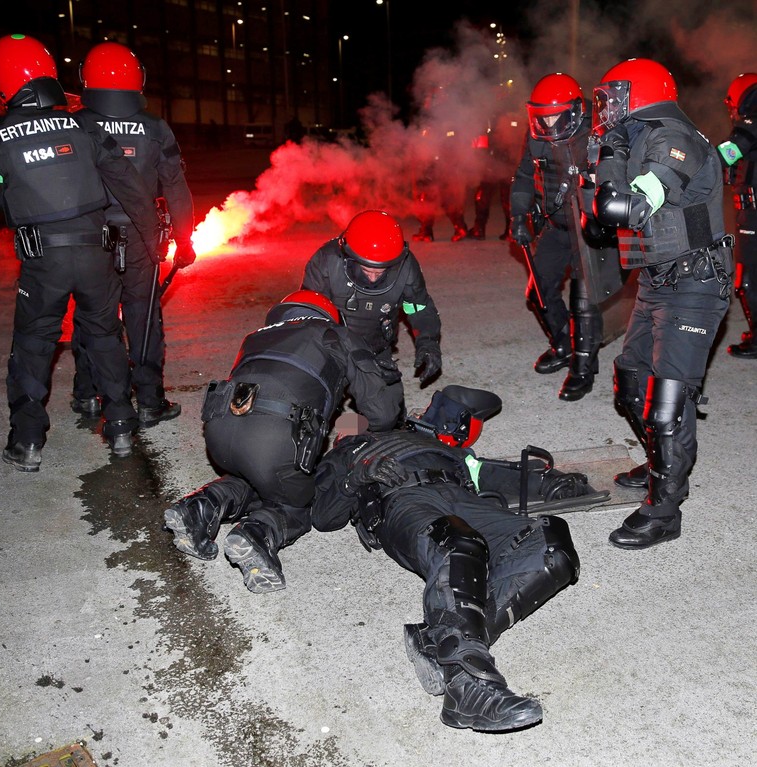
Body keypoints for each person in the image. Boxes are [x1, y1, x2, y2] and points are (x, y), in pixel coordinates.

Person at [311, 385, 599, 733]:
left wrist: (549, 482)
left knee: (552, 549)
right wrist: (354, 479)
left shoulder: (428, 441)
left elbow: (488, 472)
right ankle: (466, 687)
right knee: (460, 543)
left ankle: (439, 640)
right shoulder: (343, 455)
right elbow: (323, 516)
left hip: (460, 495)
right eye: (347, 425)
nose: (356, 424)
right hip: (401, 502)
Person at [0, 34, 166, 470]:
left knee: (33, 345)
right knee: (104, 337)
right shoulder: (84, 126)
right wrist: (152, 239)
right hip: (96, 254)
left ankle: (26, 442)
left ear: (0, 83)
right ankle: (119, 426)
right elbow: (129, 187)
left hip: (44, 260)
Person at [163, 290, 401, 593]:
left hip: (219, 434)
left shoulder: (254, 338)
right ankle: (256, 534)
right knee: (297, 502)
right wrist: (361, 428)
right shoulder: (337, 334)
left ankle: (199, 507)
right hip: (273, 440)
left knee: (258, 478)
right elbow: (381, 412)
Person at [591, 58, 733, 548]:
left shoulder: (676, 139)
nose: (605, 109)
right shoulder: (639, 138)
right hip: (659, 281)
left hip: (695, 286)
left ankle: (665, 509)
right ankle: (660, 465)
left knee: (667, 405)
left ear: (640, 94)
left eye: (612, 98)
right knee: (631, 382)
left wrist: (607, 158)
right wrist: (611, 150)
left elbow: (626, 208)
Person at [70, 42, 196, 428]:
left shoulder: (76, 124)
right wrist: (184, 238)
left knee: (94, 317)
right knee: (143, 317)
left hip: (91, 238)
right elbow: (175, 185)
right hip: (141, 238)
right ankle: (150, 400)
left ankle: (89, 394)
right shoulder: (156, 128)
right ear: (137, 78)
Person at [510, 72, 608, 401]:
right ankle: (565, 344)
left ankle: (583, 368)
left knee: (583, 300)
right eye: (543, 116)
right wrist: (520, 215)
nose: (549, 122)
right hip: (556, 226)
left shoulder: (597, 133)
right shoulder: (537, 136)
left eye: (556, 114)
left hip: (588, 229)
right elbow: (524, 175)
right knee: (539, 291)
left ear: (575, 110)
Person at [300, 210, 442, 409]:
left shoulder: (406, 268)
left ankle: (355, 426)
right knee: (307, 408)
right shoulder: (327, 261)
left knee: (387, 418)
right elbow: (308, 314)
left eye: (380, 270)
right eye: (367, 270)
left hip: (375, 350)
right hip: (331, 349)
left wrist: (428, 343)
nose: (374, 278)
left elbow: (417, 308)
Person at [717, 72, 757, 358]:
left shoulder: (751, 123)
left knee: (747, 280)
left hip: (753, 216)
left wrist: (701, 161)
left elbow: (728, 153)